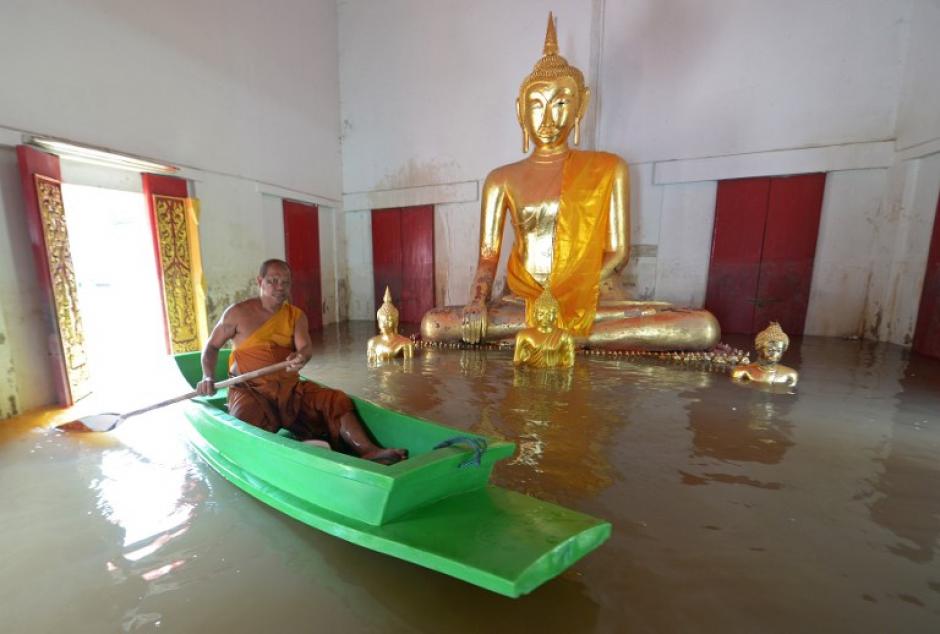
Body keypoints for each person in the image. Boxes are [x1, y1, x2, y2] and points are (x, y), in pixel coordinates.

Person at [420, 13, 719, 352]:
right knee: (436, 323)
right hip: (522, 300)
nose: (548, 118)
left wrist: (569, 290)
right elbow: (488, 257)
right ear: (520, 111)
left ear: (581, 106)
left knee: (701, 327)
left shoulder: (608, 167)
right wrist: (477, 301)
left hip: (592, 296)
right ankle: (569, 338)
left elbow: (618, 254)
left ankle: (554, 335)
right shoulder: (501, 179)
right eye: (537, 105)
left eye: (561, 103)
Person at [196, 258, 407, 465]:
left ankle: (369, 451)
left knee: (335, 400)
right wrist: (208, 376)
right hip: (250, 389)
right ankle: (268, 461)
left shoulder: (296, 316)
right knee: (244, 424)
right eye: (273, 281)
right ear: (260, 281)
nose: (280, 287)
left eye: (285, 282)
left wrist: (300, 357)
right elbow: (211, 347)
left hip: (289, 389)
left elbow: (305, 348)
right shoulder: (237, 313)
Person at [513, 287, 575, 368]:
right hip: (531, 375)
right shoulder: (523, 335)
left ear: (556, 315)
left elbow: (569, 365)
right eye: (541, 314)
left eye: (549, 314)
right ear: (534, 315)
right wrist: (523, 359)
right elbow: (516, 363)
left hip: (555, 376)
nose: (545, 318)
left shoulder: (565, 336)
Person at [731, 322, 799, 387]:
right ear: (759, 349)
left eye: (779, 350)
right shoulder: (741, 372)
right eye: (770, 350)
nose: (774, 354)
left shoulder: (791, 375)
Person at [367, 287, 415, 364]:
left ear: (396, 322)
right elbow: (370, 366)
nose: (384, 324)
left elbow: (409, 368)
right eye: (381, 320)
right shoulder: (372, 342)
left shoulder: (405, 343)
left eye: (388, 320)